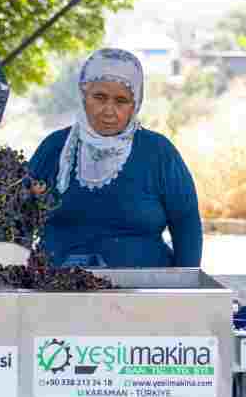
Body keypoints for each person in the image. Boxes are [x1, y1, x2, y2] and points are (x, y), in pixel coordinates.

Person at [28, 48, 203, 269]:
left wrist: (186, 286)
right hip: (59, 289)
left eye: (121, 101)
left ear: (135, 104)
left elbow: (186, 223)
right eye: (99, 97)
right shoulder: (54, 148)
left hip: (144, 292)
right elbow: (19, 216)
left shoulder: (158, 153)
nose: (109, 110)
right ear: (84, 96)